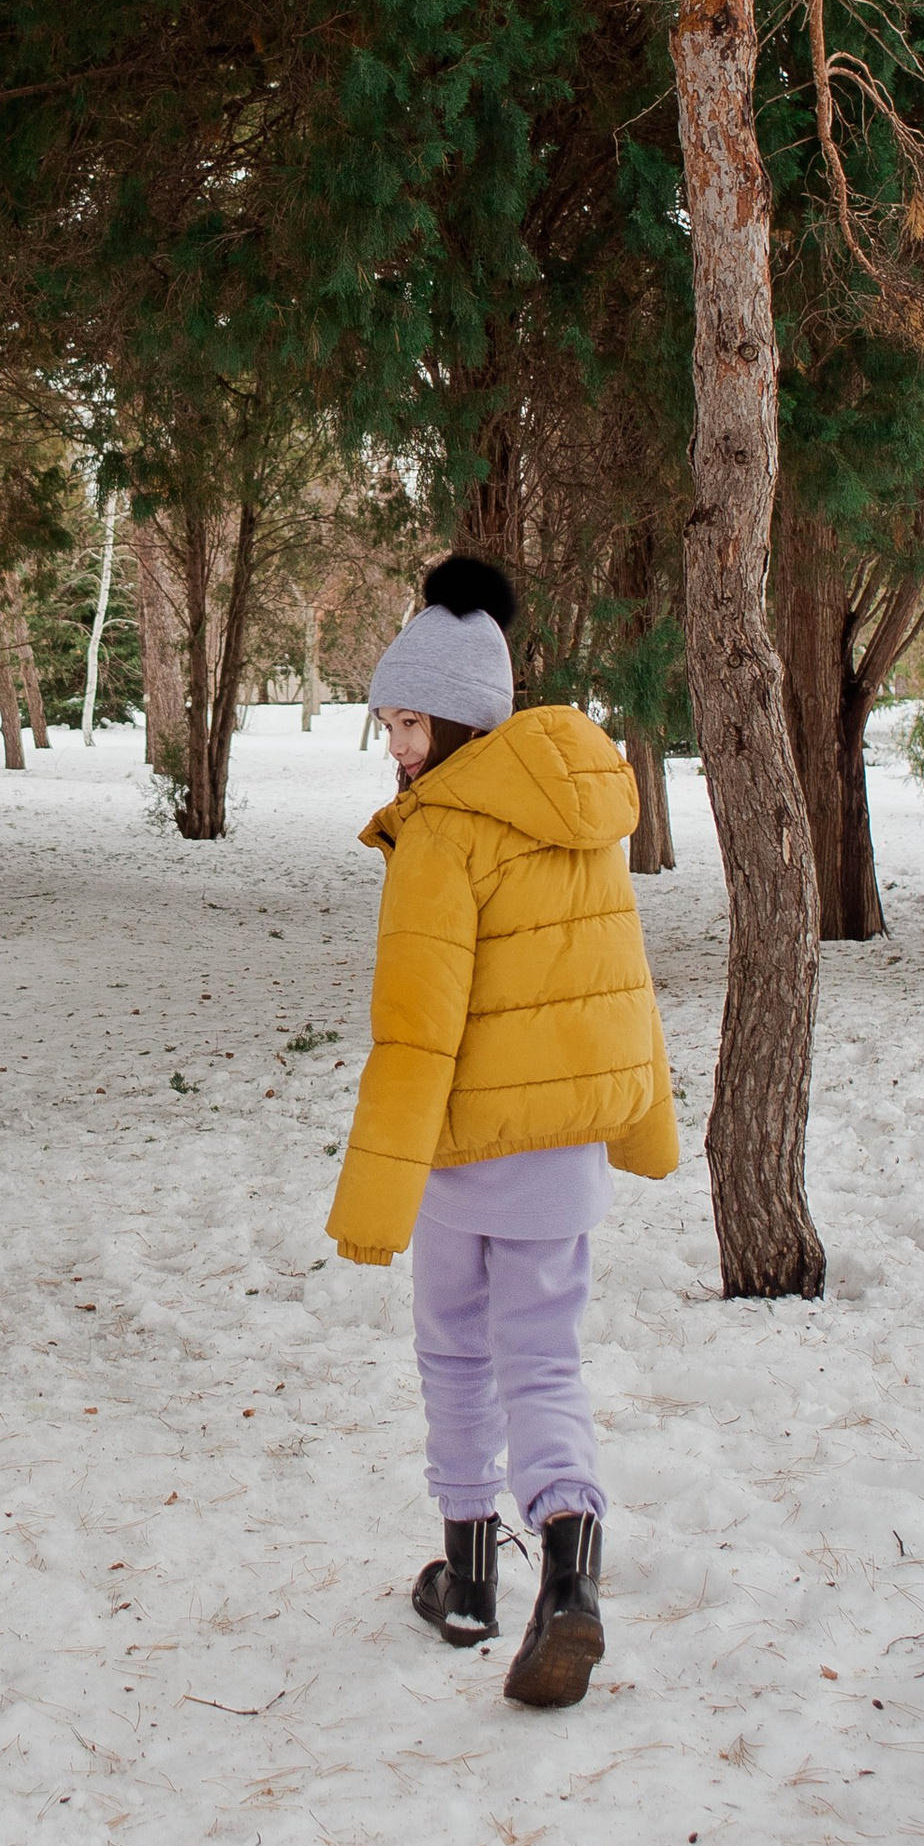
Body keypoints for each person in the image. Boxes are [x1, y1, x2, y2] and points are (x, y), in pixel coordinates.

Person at [328, 555, 677, 1706]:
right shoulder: (582, 811)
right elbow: (616, 985)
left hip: (468, 1152)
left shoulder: (439, 833)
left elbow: (417, 1033)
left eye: (409, 720)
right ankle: (570, 1575)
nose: (395, 745)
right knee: (545, 1359)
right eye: (386, 720)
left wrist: (375, 1196)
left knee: (455, 1353)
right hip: (566, 1156)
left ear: (464, 718)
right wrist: (645, 1118)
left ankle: (471, 1574)